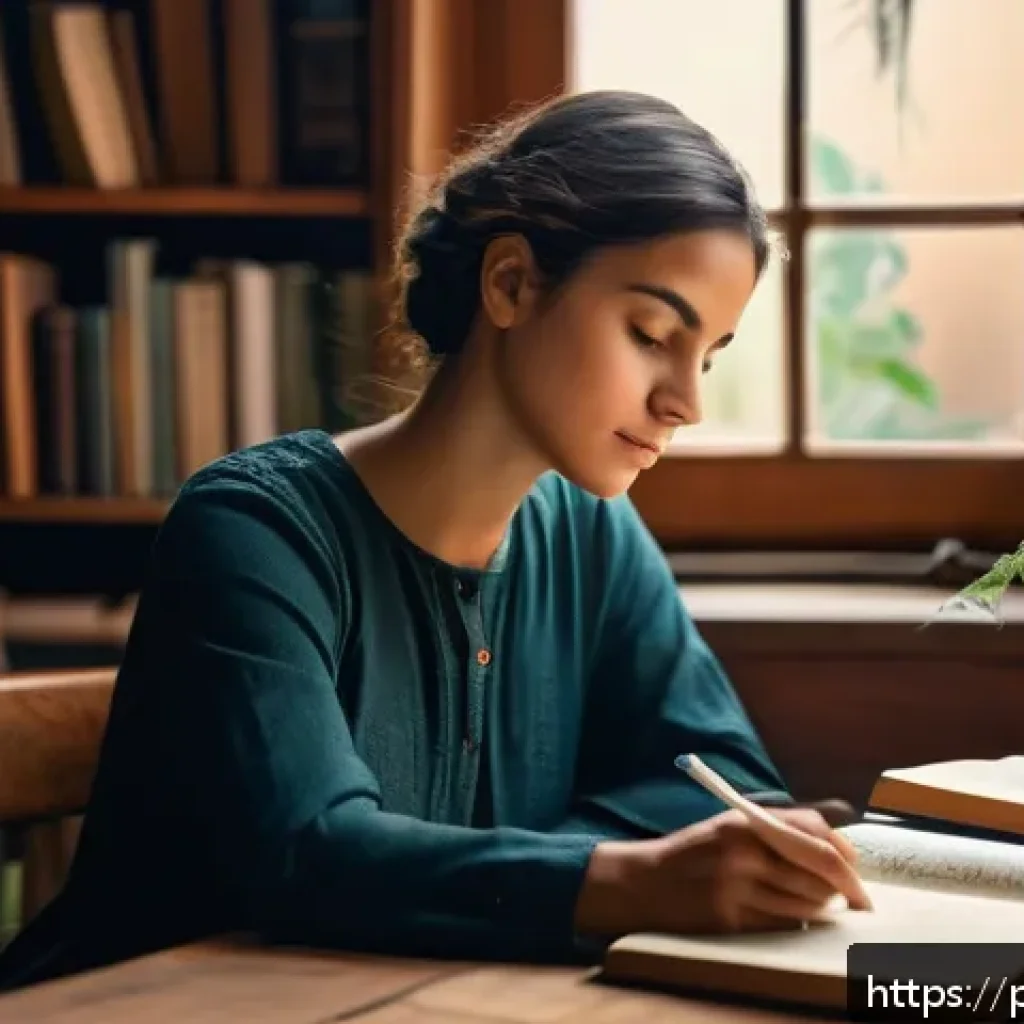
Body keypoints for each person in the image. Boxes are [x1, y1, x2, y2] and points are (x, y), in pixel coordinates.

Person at [0, 89, 870, 991]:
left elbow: (724, 776)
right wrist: (622, 876)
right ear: (511, 284)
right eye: (653, 334)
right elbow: (309, 851)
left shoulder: (592, 532)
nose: (685, 401)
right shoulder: (255, 531)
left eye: (710, 356)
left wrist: (516, 872)